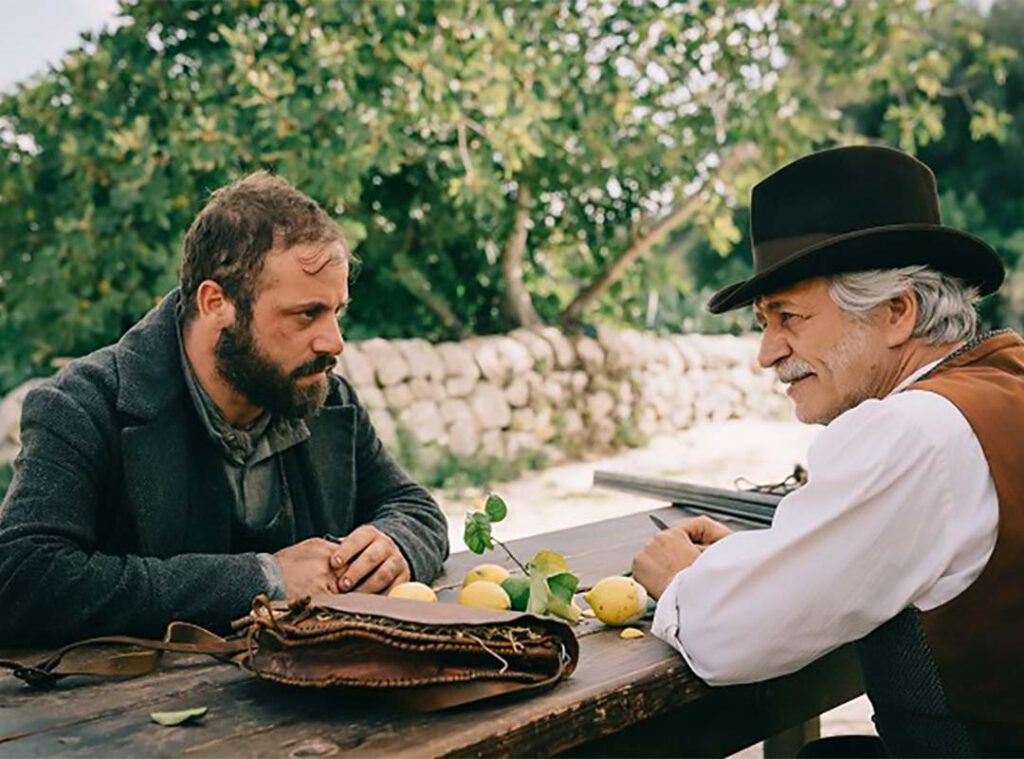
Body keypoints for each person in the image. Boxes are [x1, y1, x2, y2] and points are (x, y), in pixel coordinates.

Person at [631, 145, 1023, 757]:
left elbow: (730, 638)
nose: (767, 352)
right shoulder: (1002, 384)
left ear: (896, 313)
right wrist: (777, 561)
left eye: (788, 316)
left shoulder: (915, 431)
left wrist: (682, 580)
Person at [0, 173, 448, 646]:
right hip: (132, 715)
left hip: (319, 705)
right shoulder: (83, 405)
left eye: (337, 312)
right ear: (217, 303)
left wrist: (395, 545)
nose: (333, 342)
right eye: (306, 314)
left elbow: (415, 508)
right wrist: (263, 580)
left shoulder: (324, 396)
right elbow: (22, 577)